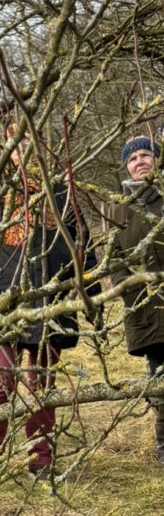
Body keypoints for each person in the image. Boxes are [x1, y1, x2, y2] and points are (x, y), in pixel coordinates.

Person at [0, 125, 95, 476]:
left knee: (43, 384)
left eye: (30, 143)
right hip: (4, 304)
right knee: (2, 380)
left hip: (49, 303)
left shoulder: (60, 194)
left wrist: (89, 294)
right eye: (17, 143)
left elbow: (81, 244)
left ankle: (41, 461)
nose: (24, 150)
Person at [111, 135, 164, 461]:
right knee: (159, 376)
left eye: (146, 155)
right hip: (144, 306)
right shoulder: (117, 209)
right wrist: (130, 287)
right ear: (127, 166)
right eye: (133, 158)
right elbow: (113, 260)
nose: (140, 161)